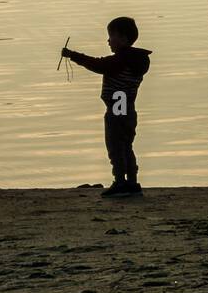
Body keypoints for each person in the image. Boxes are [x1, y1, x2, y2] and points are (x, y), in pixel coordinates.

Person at [62, 17, 151, 198]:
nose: (108, 41)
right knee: (126, 145)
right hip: (128, 108)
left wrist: (73, 55)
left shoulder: (121, 61)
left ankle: (120, 181)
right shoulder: (136, 60)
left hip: (118, 107)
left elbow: (99, 65)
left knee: (115, 144)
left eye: (111, 36)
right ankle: (132, 182)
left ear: (124, 39)